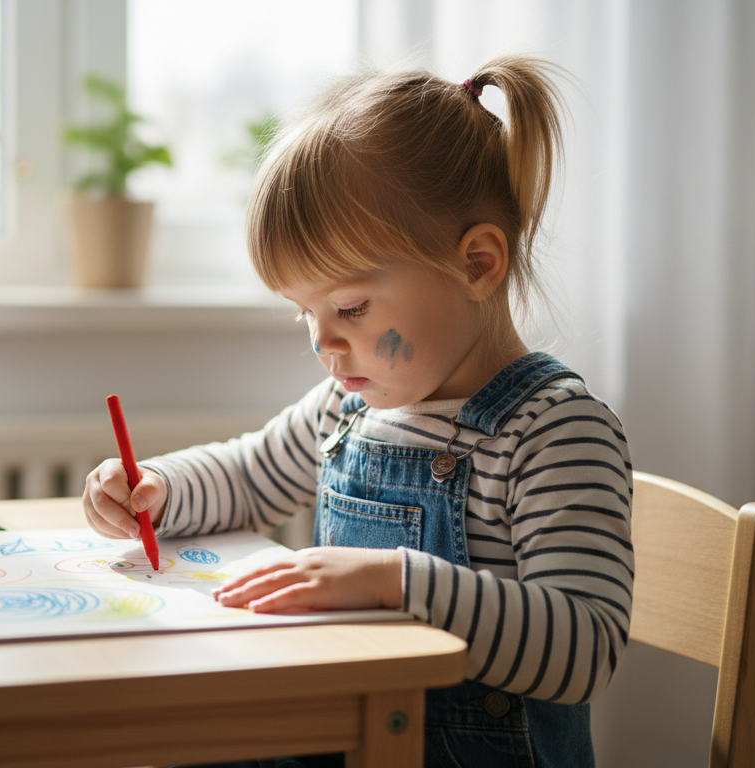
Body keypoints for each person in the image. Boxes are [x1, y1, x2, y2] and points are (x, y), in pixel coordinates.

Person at [83, 56, 633, 768]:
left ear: (476, 265)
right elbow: (249, 475)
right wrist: (158, 486)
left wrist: (393, 581)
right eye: (304, 313)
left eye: (348, 307)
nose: (323, 340)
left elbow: (584, 650)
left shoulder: (555, 431)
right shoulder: (350, 407)